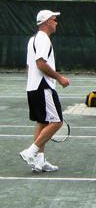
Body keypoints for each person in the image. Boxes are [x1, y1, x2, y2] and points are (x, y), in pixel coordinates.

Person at [20, 10, 70, 172]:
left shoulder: (32, 40)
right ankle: (31, 151)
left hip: (34, 87)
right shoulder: (43, 40)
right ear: (47, 22)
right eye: (54, 20)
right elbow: (40, 64)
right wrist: (59, 78)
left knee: (42, 122)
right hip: (44, 87)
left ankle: (39, 162)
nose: (56, 22)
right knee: (57, 122)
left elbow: (29, 67)